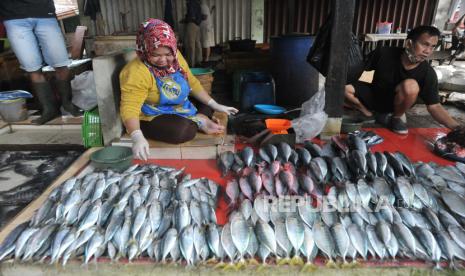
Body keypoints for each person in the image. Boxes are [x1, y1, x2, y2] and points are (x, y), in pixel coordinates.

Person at [120, 19, 238, 161]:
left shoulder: (176, 57)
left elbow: (192, 83)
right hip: (152, 113)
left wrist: (216, 105)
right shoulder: (135, 72)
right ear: (144, 50)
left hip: (177, 105)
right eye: (156, 55)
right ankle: (198, 119)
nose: (163, 60)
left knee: (208, 103)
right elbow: (130, 107)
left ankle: (198, 119)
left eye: (168, 54)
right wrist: (136, 136)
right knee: (182, 132)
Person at [345, 25, 460, 135]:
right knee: (343, 87)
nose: (428, 51)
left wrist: (457, 127)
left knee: (411, 85)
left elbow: (434, 106)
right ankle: (368, 113)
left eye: (432, 47)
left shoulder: (428, 73)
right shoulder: (384, 53)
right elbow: (359, 71)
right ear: (409, 43)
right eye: (425, 45)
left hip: (396, 106)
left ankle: (397, 117)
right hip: (375, 96)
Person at [0, 0, 81, 125]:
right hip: (13, 17)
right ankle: (49, 109)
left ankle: (67, 103)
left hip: (44, 13)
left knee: (61, 63)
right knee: (32, 68)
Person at [183, 0, 203, 67]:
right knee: (197, 43)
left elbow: (192, 16)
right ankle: (199, 61)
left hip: (191, 24)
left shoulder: (190, 3)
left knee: (191, 45)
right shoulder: (197, 3)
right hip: (197, 25)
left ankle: (191, 64)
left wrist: (186, 19)